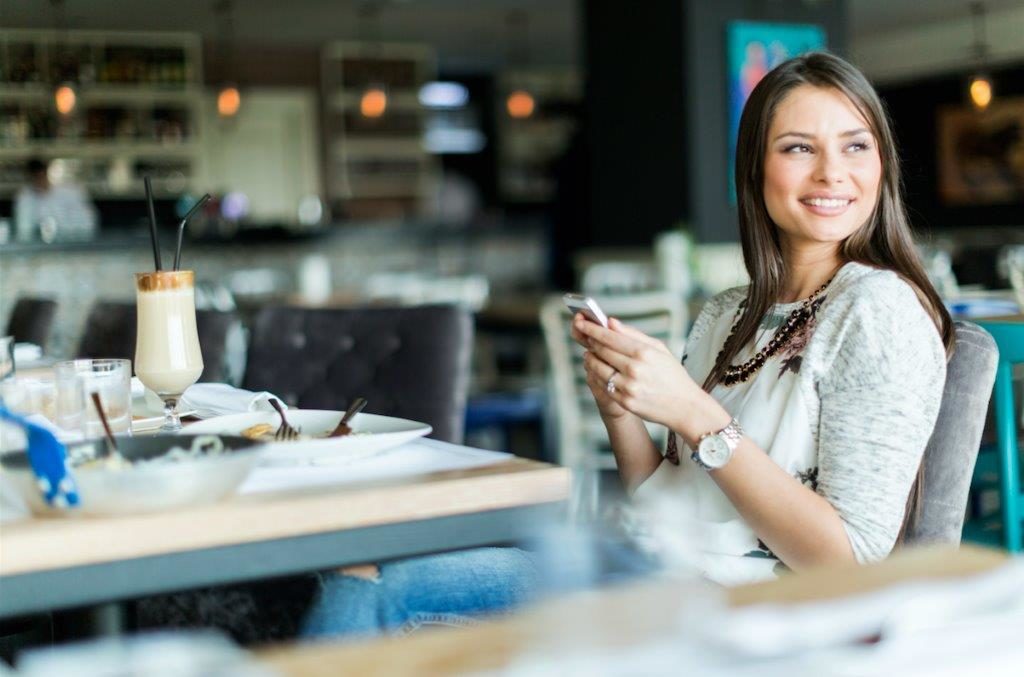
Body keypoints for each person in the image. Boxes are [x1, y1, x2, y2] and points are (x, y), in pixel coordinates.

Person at [144, 51, 950, 644]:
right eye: (797, 146)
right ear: (757, 167)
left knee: (372, 594)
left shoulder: (877, 311)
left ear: (882, 161)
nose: (831, 172)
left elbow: (850, 562)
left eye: (855, 145)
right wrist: (623, 408)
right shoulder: (733, 309)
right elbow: (662, 504)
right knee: (359, 569)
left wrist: (700, 417)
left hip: (728, 610)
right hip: (639, 563)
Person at [14, 158, 97, 242]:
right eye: (34, 177)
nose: (38, 181)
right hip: (41, 248)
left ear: (46, 172)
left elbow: (88, 223)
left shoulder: (72, 192)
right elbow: (23, 230)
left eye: (40, 176)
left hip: (75, 245)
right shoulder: (25, 197)